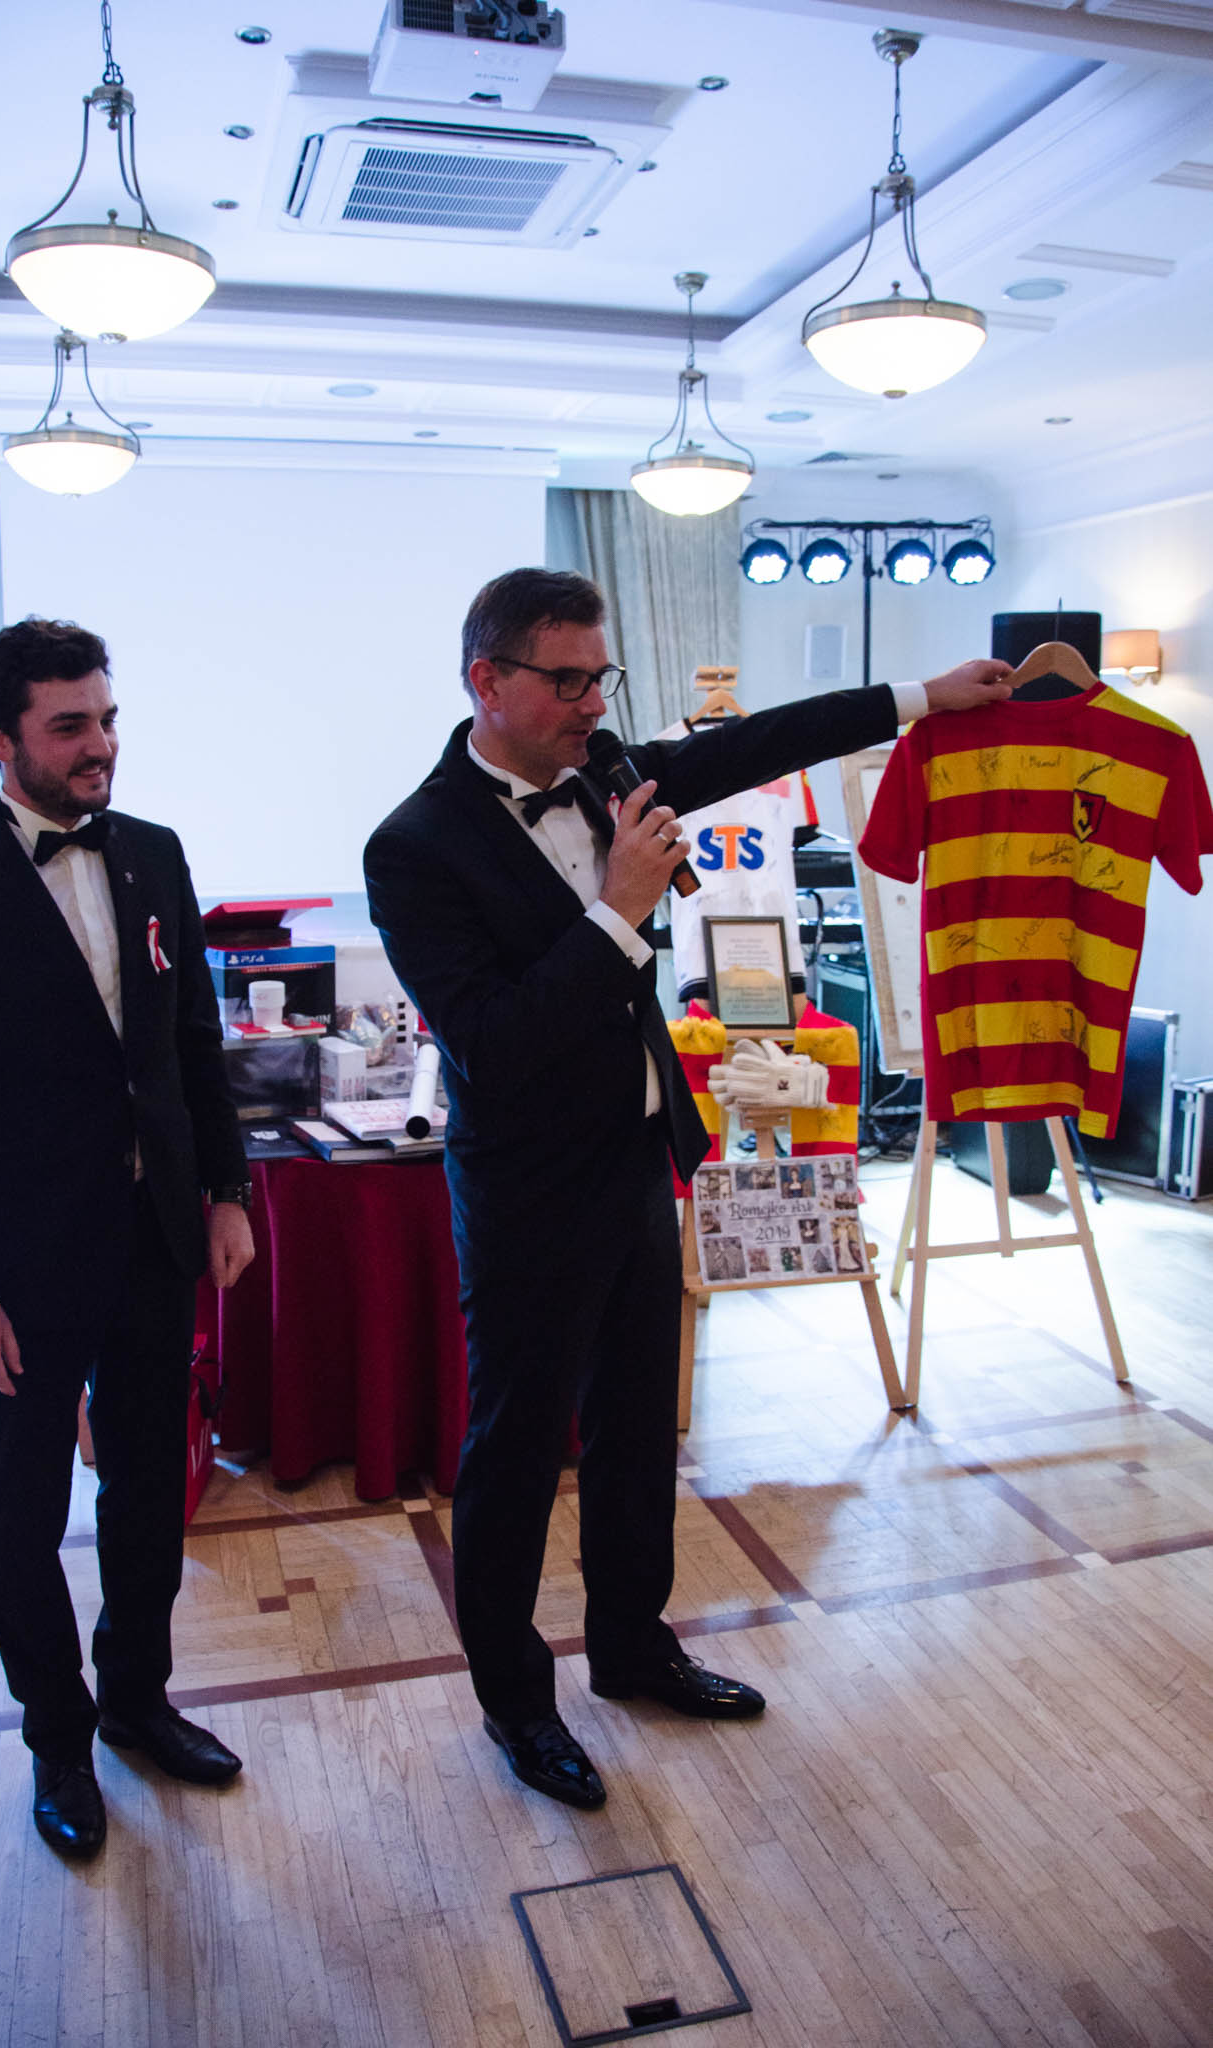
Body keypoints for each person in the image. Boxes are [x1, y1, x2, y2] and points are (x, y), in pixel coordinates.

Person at [364, 567, 1013, 1809]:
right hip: (526, 1191)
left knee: (636, 1427)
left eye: (600, 676)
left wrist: (922, 695)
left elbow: (760, 741)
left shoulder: (605, 773)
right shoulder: (413, 845)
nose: (592, 703)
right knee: (515, 1449)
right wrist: (619, 907)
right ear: (485, 680)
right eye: (566, 680)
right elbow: (493, 1043)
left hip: (636, 1159)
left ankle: (633, 1644)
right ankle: (517, 1701)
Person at [0, 618, 255, 1859]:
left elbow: (191, 1043)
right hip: (20, 1266)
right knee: (23, 1510)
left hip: (153, 1238)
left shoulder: (153, 853)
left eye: (108, 718)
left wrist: (226, 1191)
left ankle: (139, 1699)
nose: (101, 745)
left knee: (149, 1490)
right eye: (70, 725)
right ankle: (58, 1736)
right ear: (1, 736)